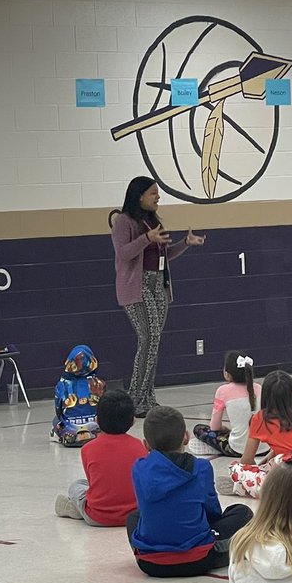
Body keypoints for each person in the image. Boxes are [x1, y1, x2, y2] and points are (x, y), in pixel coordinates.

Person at [110, 176, 204, 416]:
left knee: (154, 342)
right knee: (148, 339)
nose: (158, 197)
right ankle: (135, 399)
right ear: (139, 195)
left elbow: (165, 255)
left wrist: (185, 243)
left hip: (158, 284)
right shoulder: (124, 221)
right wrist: (146, 239)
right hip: (136, 285)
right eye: (153, 193)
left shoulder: (152, 221)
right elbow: (123, 253)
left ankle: (148, 398)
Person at [126, 406, 253, 577]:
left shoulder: (139, 468)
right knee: (242, 512)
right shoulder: (201, 467)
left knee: (133, 517)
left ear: (146, 444)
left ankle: (151, 550)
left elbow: (144, 509)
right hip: (198, 560)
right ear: (186, 437)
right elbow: (213, 512)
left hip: (150, 564)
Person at [221, 370, 292, 499]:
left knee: (237, 468)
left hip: (286, 479)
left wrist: (254, 470)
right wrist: (269, 457)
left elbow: (246, 460)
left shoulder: (261, 418)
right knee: (275, 463)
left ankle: (243, 486)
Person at [55, 389, 145, 527]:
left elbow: (93, 483)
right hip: (136, 516)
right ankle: (78, 509)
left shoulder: (88, 448)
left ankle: (75, 508)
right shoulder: (140, 446)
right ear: (132, 421)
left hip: (97, 517)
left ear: (96, 420)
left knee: (77, 485)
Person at [193, 351, 262, 458]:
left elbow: (214, 427)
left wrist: (224, 429)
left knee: (199, 429)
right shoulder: (259, 388)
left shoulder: (223, 391)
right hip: (264, 448)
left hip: (238, 449)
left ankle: (214, 447)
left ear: (227, 374)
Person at [50, 344, 105, 447]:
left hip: (71, 426)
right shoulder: (98, 383)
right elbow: (104, 407)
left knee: (56, 420)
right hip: (95, 424)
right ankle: (94, 433)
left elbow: (58, 410)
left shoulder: (62, 384)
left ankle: (68, 434)